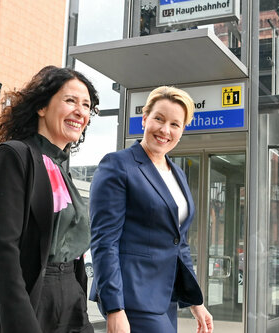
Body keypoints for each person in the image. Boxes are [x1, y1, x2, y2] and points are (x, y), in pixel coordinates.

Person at [0, 65, 99, 333]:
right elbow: (4, 250)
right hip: (33, 297)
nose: (80, 112)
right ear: (42, 107)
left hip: (71, 299)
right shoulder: (15, 155)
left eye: (86, 105)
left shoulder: (62, 168)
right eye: (70, 100)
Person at [90, 86, 213, 333]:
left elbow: (180, 243)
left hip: (165, 297)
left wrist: (195, 301)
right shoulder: (118, 165)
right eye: (159, 119)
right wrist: (115, 308)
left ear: (182, 130)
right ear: (145, 119)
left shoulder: (177, 173)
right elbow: (105, 242)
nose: (165, 130)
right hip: (132, 295)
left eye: (175, 124)